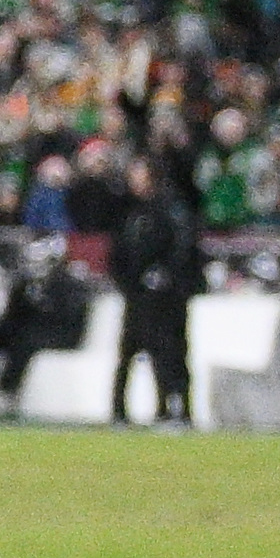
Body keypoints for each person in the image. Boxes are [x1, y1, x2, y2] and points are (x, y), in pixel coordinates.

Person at [110, 154, 204, 426]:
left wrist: (167, 277)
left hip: (167, 298)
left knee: (170, 352)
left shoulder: (170, 208)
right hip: (138, 295)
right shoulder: (130, 210)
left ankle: (176, 408)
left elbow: (182, 247)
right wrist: (127, 280)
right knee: (129, 352)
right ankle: (119, 409)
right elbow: (120, 252)